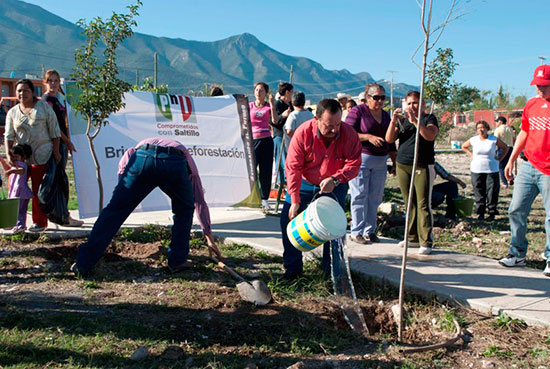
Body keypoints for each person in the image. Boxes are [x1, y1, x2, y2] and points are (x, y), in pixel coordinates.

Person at [72, 138, 223, 277]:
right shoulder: (185, 155)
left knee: (115, 210)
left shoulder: (132, 152)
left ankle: (84, 263)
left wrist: (122, 199)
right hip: (173, 161)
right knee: (184, 209)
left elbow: (122, 176)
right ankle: (177, 261)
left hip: (142, 159)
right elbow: (198, 199)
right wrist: (208, 235)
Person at [280, 99, 361, 280]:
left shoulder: (348, 134)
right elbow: (292, 167)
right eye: (329, 125)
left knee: (335, 228)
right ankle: (293, 271)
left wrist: (337, 178)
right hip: (305, 183)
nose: (334, 130)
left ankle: (332, 273)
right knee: (288, 217)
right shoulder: (302, 133)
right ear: (316, 119)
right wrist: (294, 199)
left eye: (338, 124)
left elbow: (354, 163)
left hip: (335, 185)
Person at [498, 64, 550, 276]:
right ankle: (517, 253)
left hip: (548, 171)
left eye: (544, 85)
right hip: (528, 165)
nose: (539, 88)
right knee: (516, 209)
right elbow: (524, 133)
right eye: (537, 84)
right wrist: (511, 159)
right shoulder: (531, 105)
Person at [386, 90, 439, 255]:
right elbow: (389, 139)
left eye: (415, 102)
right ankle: (411, 237)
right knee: (409, 202)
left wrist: (416, 122)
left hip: (422, 165)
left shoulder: (429, 119)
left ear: (422, 104)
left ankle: (426, 240)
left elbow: (429, 136)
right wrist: (394, 120)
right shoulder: (402, 120)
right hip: (403, 164)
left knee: (423, 202)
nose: (411, 106)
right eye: (408, 103)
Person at [4, 79, 61, 232]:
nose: (22, 93)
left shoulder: (43, 108)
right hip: (21, 158)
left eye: (25, 90)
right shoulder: (13, 112)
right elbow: (9, 135)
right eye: (19, 91)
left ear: (32, 92)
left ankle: (39, 222)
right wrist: (9, 155)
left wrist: (56, 151)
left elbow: (55, 131)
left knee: (38, 191)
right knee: (17, 190)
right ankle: (17, 222)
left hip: (42, 155)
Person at [344, 83, 396, 244]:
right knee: (359, 195)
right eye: (376, 97)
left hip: (381, 160)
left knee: (375, 197)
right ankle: (356, 231)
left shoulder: (386, 115)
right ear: (368, 98)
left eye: (382, 97)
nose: (380, 101)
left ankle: (370, 230)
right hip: (361, 159)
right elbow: (348, 133)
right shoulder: (358, 111)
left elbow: (391, 139)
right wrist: (368, 137)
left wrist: (394, 161)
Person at [42, 69, 83, 226]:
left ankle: (62, 214)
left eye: (56, 81)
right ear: (45, 82)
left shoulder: (57, 100)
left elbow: (63, 121)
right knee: (59, 180)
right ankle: (61, 215)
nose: (53, 83)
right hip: (56, 144)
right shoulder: (47, 101)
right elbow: (54, 127)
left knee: (61, 179)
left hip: (62, 143)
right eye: (50, 80)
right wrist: (67, 141)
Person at [462, 120, 508, 221]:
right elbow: (464, 146)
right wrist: (471, 155)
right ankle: (480, 213)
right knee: (479, 190)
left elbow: (505, 148)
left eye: (483, 128)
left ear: (487, 129)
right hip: (476, 169)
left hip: (491, 169)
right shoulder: (474, 139)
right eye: (478, 128)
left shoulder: (493, 139)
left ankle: (491, 212)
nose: (481, 130)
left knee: (491, 192)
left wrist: (499, 159)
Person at [249, 82, 278, 211]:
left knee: (265, 171)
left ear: (266, 93)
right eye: (256, 90)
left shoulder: (268, 106)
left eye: (261, 90)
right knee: (251, 170)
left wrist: (272, 104)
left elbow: (275, 121)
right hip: (252, 141)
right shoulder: (249, 106)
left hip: (266, 140)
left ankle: (264, 198)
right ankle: (251, 197)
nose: (258, 92)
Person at [0, 144, 33, 234]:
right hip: (20, 192)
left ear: (23, 157)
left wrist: (12, 171)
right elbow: (8, 169)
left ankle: (20, 226)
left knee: (17, 211)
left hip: (20, 192)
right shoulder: (15, 165)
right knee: (21, 211)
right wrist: (2, 160)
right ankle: (21, 225)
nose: (14, 159)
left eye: (17, 157)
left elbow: (21, 171)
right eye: (13, 157)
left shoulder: (22, 165)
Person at [272, 82, 294, 186]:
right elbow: (272, 121)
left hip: (289, 137)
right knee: (281, 161)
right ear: (287, 92)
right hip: (279, 136)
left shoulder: (290, 105)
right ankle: (281, 183)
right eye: (292, 92)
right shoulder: (277, 104)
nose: (293, 94)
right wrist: (283, 116)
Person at [493, 116, 515, 187]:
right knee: (508, 165)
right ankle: (510, 178)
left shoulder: (498, 129)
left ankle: (505, 182)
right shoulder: (510, 129)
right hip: (510, 148)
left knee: (501, 166)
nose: (496, 123)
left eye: (497, 121)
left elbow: (495, 140)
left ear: (500, 122)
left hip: (502, 148)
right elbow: (514, 139)